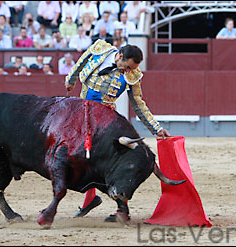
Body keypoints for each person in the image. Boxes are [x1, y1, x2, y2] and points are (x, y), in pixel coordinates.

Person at [65, 40, 170, 222]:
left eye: (131, 69)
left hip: (106, 121)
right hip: (82, 115)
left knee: (110, 162)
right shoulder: (101, 50)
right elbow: (81, 62)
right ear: (120, 56)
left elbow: (138, 104)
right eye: (127, 67)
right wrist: (70, 81)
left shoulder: (133, 75)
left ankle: (122, 209)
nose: (128, 71)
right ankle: (91, 199)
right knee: (83, 159)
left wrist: (157, 128)